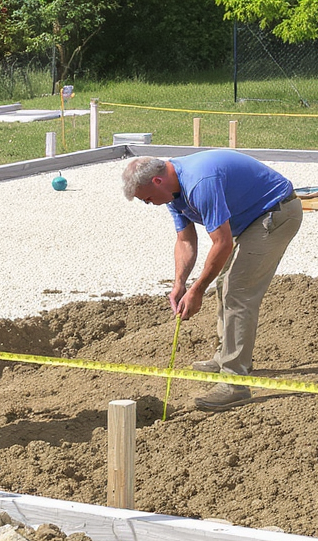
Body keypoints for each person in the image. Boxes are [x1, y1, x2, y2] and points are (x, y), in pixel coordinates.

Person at [121, 150, 301, 412]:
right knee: (225, 283)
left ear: (156, 182)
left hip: (275, 212)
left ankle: (235, 382)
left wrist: (198, 289)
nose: (148, 203)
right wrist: (180, 284)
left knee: (238, 292)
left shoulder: (199, 182)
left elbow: (223, 242)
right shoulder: (173, 191)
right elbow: (185, 240)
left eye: (147, 198)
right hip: (252, 219)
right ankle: (223, 357)